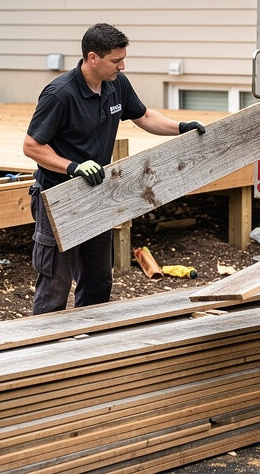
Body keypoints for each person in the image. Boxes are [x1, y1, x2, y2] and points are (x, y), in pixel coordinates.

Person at [22, 23, 205, 315]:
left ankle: (91, 344)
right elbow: (31, 146)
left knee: (98, 282)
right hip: (58, 197)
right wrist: (73, 167)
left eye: (123, 58)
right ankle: (44, 351)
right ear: (93, 58)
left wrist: (181, 128)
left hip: (97, 195)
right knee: (55, 283)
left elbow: (143, 115)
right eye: (116, 60)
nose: (122, 65)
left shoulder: (116, 84)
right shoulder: (60, 94)